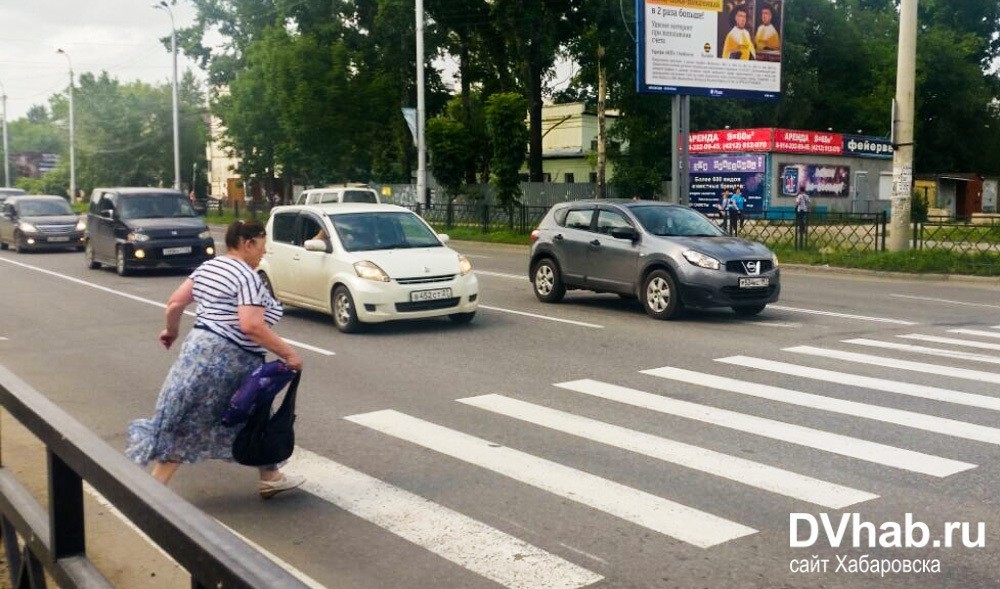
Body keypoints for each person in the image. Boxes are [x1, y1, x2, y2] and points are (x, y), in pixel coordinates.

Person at [126, 220, 306, 499]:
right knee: (200, 417)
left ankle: (271, 476)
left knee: (251, 414)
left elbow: (175, 303)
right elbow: (252, 326)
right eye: (261, 245)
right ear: (247, 243)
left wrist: (170, 332)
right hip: (230, 359)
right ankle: (153, 491)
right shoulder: (247, 276)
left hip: (198, 349)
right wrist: (289, 354)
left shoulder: (209, 267)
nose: (264, 252)